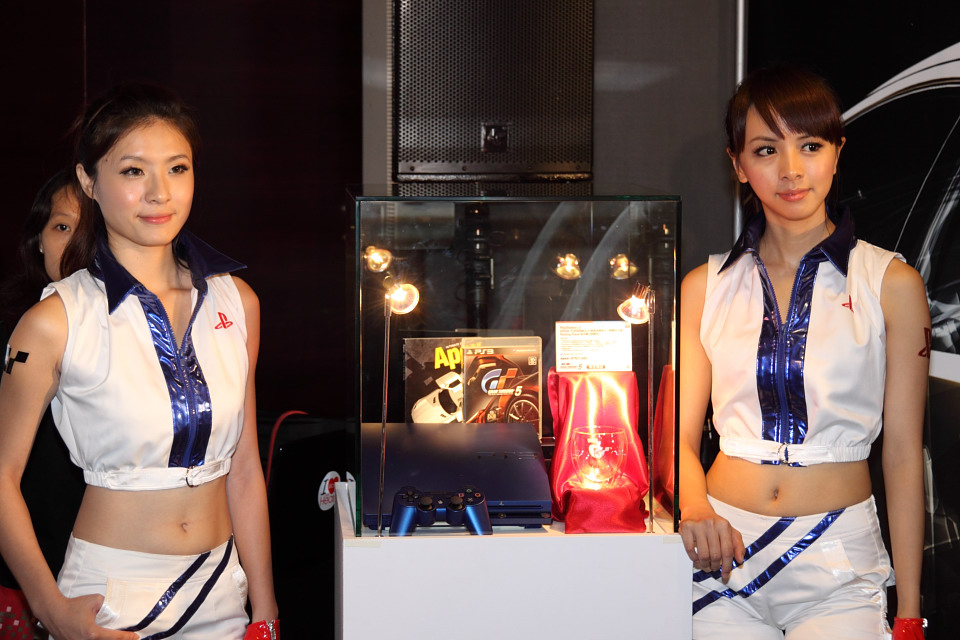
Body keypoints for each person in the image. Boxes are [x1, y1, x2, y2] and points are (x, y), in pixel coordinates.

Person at [0, 83, 279, 640]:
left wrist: (265, 609)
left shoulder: (236, 301)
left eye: (177, 168)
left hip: (223, 589)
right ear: (88, 182)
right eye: (133, 171)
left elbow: (245, 468)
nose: (159, 192)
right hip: (108, 600)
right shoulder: (55, 321)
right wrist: (50, 608)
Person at [678, 65, 929, 639]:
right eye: (766, 150)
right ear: (738, 164)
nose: (791, 169)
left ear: (837, 153)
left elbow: (902, 455)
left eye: (810, 145)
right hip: (719, 555)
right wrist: (695, 508)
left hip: (839, 562)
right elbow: (680, 441)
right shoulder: (704, 287)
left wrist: (910, 611)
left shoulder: (890, 283)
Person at [0, 169, 86, 639]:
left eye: (90, 227)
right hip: (24, 571)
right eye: (62, 226)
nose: (76, 244)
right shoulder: (19, 329)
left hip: (106, 563)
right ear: (38, 240)